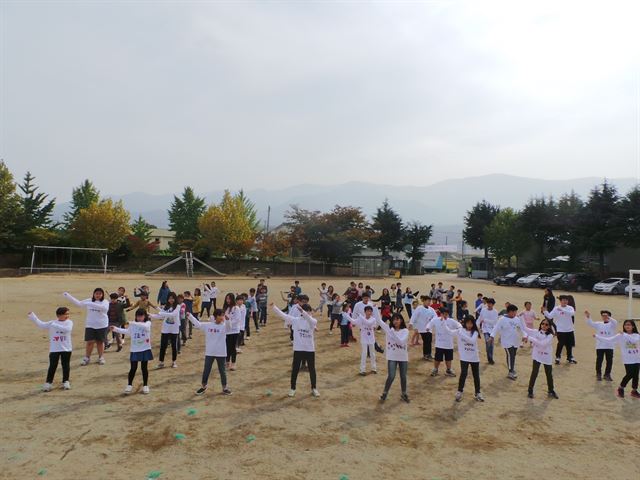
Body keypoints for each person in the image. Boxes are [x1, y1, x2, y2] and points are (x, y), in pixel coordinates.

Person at [271, 303, 320, 398]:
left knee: (312, 369)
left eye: (310, 311)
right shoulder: (296, 320)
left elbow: (311, 320)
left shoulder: (313, 321)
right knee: (295, 369)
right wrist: (274, 307)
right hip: (298, 349)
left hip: (309, 349)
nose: (310, 313)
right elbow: (283, 315)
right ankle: (292, 388)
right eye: (309, 311)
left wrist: (304, 312)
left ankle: (314, 388)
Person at [188, 309, 232, 396]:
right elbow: (198, 324)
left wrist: (227, 319)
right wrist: (190, 316)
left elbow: (229, 327)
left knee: (222, 371)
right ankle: (203, 386)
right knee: (206, 370)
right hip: (210, 352)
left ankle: (225, 387)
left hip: (221, 352)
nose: (222, 317)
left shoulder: (224, 326)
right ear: (216, 316)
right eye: (221, 315)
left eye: (223, 315)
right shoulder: (208, 325)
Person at [28, 308, 73, 391]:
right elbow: (41, 325)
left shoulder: (69, 322)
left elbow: (67, 329)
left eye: (68, 314)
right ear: (59, 315)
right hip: (54, 349)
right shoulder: (52, 323)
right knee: (52, 366)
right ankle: (48, 383)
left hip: (66, 348)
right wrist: (33, 317)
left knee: (65, 365)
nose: (67, 316)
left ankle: (66, 381)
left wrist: (54, 324)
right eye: (65, 314)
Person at [110, 308, 153, 394]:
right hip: (135, 349)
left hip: (145, 349)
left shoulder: (148, 323)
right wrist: (115, 329)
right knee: (133, 368)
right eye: (138, 316)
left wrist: (132, 322)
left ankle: (145, 385)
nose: (139, 318)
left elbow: (144, 326)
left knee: (144, 368)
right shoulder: (133, 325)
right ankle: (129, 385)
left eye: (141, 316)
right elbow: (127, 332)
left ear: (145, 316)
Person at [63, 289, 109, 366]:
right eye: (96, 293)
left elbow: (104, 308)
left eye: (100, 294)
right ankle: (87, 357)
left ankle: (101, 357)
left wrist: (90, 303)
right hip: (90, 325)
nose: (98, 295)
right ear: (93, 294)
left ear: (102, 295)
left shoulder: (105, 301)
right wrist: (68, 296)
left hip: (101, 325)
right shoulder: (89, 300)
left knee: (100, 342)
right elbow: (79, 304)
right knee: (89, 342)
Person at [595, 320, 640, 399]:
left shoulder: (636, 335)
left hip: (637, 358)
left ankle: (634, 390)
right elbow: (609, 340)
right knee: (630, 374)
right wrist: (597, 336)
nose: (627, 326)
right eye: (625, 325)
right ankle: (621, 388)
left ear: (633, 326)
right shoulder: (620, 335)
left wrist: (624, 334)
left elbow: (634, 340)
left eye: (629, 325)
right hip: (628, 359)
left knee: (636, 375)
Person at [447, 315, 484, 402]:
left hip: (474, 357)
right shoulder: (460, 330)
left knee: (476, 375)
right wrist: (444, 323)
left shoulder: (475, 332)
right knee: (463, 374)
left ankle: (478, 392)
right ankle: (459, 392)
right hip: (464, 357)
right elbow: (450, 332)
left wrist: (461, 335)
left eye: (471, 323)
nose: (469, 325)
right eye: (468, 323)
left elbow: (471, 341)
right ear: (465, 323)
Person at [519, 317, 558, 399]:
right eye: (542, 324)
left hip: (547, 356)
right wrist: (521, 317)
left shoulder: (550, 336)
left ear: (549, 326)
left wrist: (529, 338)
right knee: (534, 373)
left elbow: (542, 344)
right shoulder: (536, 332)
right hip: (537, 355)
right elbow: (525, 328)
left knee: (549, 374)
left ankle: (551, 390)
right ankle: (530, 390)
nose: (544, 325)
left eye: (546, 324)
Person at [376, 313, 410, 403]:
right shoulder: (389, 329)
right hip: (392, 356)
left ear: (401, 320)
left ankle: (404, 393)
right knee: (391, 376)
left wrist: (392, 333)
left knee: (403, 376)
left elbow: (401, 342)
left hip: (403, 356)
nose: (395, 321)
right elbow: (379, 320)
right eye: (394, 319)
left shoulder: (405, 331)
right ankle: (385, 393)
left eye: (397, 319)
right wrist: (374, 308)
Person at [489, 304, 523, 380]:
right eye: (514, 312)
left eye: (516, 312)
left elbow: (521, 328)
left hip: (515, 341)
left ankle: (512, 369)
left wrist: (525, 336)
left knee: (512, 355)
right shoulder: (502, 319)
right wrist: (492, 336)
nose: (515, 314)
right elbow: (496, 328)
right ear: (509, 312)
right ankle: (510, 371)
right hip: (506, 342)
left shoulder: (517, 319)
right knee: (510, 355)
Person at [543, 295, 577, 364]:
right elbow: (550, 316)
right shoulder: (556, 308)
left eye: (566, 300)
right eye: (563, 300)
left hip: (569, 329)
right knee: (560, 343)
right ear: (560, 301)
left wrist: (562, 310)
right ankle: (558, 357)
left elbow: (572, 314)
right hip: (560, 329)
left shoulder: (570, 308)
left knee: (569, 344)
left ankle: (569, 357)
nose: (565, 301)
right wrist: (545, 311)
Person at [426, 307, 460, 377]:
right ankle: (435, 369)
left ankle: (448, 370)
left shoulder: (451, 321)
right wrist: (428, 328)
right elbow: (430, 324)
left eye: (446, 314)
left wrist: (455, 331)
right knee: (437, 358)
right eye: (443, 314)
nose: (445, 316)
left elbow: (459, 326)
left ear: (448, 314)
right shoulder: (436, 320)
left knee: (448, 358)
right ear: (441, 314)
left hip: (449, 344)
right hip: (439, 343)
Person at [585, 310, 618, 381]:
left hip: (609, 346)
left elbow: (615, 322)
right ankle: (598, 374)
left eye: (606, 315)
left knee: (609, 361)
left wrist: (609, 318)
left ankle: (607, 374)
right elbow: (590, 323)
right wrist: (588, 316)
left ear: (609, 316)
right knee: (599, 360)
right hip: (600, 346)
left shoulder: (612, 324)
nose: (604, 317)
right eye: (603, 316)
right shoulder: (598, 324)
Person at [151, 292, 180, 369]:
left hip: (174, 329)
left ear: (175, 299)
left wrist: (161, 312)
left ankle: (174, 362)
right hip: (165, 329)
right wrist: (150, 315)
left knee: (174, 346)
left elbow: (173, 314)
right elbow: (160, 316)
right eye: (170, 298)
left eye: (172, 298)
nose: (171, 300)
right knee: (163, 346)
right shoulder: (165, 307)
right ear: (167, 299)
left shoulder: (177, 306)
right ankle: (161, 362)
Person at [347, 306, 378, 375]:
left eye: (370, 311)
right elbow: (353, 322)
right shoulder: (361, 318)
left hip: (371, 338)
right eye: (367, 311)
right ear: (365, 312)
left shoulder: (373, 319)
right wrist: (346, 315)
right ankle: (362, 370)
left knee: (372, 354)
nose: (369, 312)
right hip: (364, 338)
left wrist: (360, 316)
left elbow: (369, 323)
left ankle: (374, 368)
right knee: (364, 353)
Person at [409, 295, 437, 361]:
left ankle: (429, 354)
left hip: (429, 328)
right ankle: (425, 355)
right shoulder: (419, 308)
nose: (429, 302)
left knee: (429, 341)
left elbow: (435, 316)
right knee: (426, 341)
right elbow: (414, 316)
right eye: (428, 301)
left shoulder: (431, 309)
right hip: (422, 328)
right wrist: (411, 323)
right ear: (424, 301)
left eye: (430, 301)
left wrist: (432, 320)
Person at [476, 298, 498, 365]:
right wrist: (476, 325)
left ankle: (490, 358)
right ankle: (490, 358)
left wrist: (485, 320)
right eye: (488, 303)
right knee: (487, 342)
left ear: (493, 304)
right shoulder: (483, 310)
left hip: (492, 330)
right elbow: (480, 318)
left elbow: (494, 322)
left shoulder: (495, 312)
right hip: (485, 329)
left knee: (491, 345)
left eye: (490, 303)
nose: (489, 305)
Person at [224, 293, 243, 371]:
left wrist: (229, 322)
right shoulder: (226, 308)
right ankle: (227, 362)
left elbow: (237, 319)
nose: (228, 300)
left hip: (234, 331)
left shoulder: (236, 308)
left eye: (229, 299)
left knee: (233, 348)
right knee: (227, 347)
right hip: (227, 331)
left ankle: (233, 363)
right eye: (227, 299)